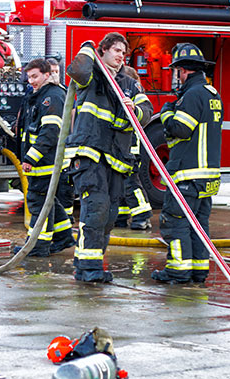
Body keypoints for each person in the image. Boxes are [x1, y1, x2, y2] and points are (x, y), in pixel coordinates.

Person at [65, 32, 152, 283]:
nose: (121, 55)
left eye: (123, 52)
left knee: (110, 214)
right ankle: (89, 269)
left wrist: (135, 110)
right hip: (91, 153)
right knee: (96, 208)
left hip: (117, 158)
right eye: (115, 50)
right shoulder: (93, 77)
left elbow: (147, 111)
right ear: (103, 51)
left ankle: (88, 263)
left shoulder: (129, 84)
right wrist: (86, 48)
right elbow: (77, 71)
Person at [151, 43, 222, 284]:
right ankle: (198, 271)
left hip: (188, 175)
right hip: (207, 177)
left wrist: (166, 112)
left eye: (176, 71)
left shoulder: (192, 95)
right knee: (199, 225)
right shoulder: (211, 93)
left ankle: (178, 272)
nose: (176, 76)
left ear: (183, 71)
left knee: (176, 222)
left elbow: (180, 129)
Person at [15, 58, 75, 257]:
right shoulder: (38, 95)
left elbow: (50, 132)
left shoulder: (52, 96)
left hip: (46, 163)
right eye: (29, 77)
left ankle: (37, 246)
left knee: (38, 202)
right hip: (44, 163)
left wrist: (31, 158)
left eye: (35, 76)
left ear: (47, 75)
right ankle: (64, 237)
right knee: (49, 202)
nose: (31, 81)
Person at [114, 65, 154, 230]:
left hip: (130, 149)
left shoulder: (131, 95)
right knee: (119, 184)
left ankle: (142, 215)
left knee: (130, 184)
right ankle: (121, 216)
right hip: (119, 148)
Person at [46, 56, 75, 223]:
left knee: (64, 185)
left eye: (57, 72)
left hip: (63, 147)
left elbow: (72, 113)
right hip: (49, 149)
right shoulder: (38, 93)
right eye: (51, 72)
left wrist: (71, 137)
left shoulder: (63, 91)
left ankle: (67, 216)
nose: (55, 75)